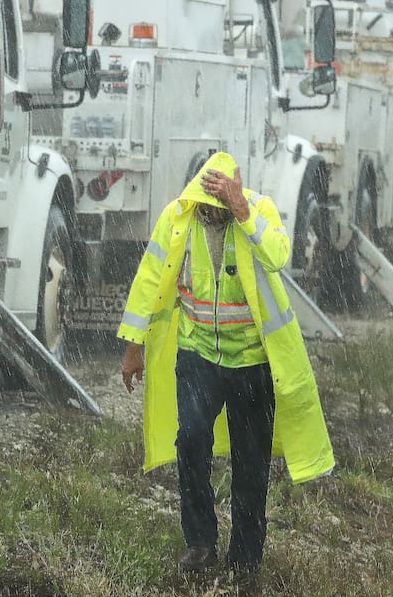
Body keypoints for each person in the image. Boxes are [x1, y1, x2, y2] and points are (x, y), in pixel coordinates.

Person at [118, 152, 334, 578]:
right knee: (191, 440)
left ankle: (245, 559)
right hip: (198, 354)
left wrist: (242, 211)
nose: (211, 211)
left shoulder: (258, 209)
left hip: (252, 362)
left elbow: (278, 255)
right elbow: (149, 279)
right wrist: (133, 345)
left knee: (251, 463)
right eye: (207, 202)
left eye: (219, 202)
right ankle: (200, 542)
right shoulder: (178, 218)